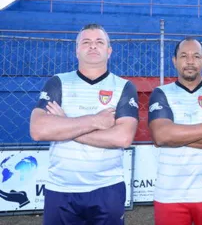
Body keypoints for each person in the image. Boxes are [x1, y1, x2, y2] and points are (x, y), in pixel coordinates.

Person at [30, 24, 139, 225]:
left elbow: (122, 138)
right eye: (86, 42)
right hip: (61, 189)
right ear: (76, 50)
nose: (92, 46)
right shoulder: (58, 82)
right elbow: (38, 130)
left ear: (109, 51)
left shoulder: (124, 86)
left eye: (99, 42)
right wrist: (95, 121)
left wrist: (64, 125)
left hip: (107, 188)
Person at [148, 37, 202, 225]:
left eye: (196, 56)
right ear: (174, 61)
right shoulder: (161, 93)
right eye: (184, 56)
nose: (189, 61)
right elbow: (161, 135)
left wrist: (175, 135)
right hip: (170, 194)